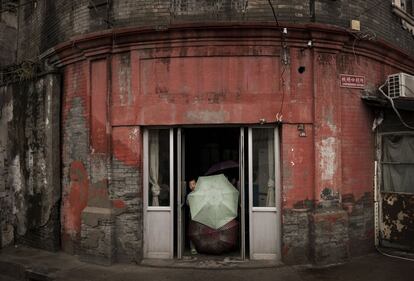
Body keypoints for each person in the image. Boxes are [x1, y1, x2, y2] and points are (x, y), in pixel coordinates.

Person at [187, 179, 198, 255]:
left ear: (196, 184)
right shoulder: (189, 195)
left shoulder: (200, 193)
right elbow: (188, 204)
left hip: (200, 215)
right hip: (192, 215)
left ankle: (199, 247)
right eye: (191, 185)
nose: (192, 186)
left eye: (193, 184)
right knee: (192, 232)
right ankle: (193, 247)